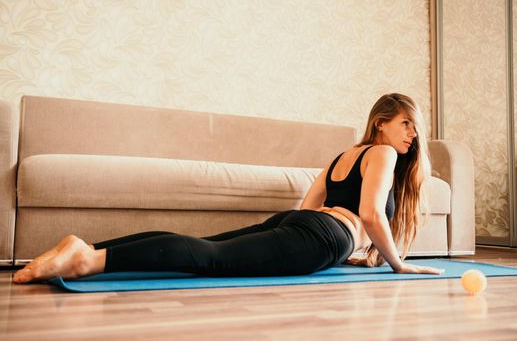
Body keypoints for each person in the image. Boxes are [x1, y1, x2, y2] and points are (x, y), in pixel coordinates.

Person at [13, 93, 444, 284]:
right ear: (381, 122)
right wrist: (398, 265)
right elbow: (369, 213)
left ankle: (89, 248)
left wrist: (337, 243)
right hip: (324, 235)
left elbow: (309, 204)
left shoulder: (344, 155)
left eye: (415, 126)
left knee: (203, 247)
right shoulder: (383, 154)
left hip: (305, 225)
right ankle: (86, 261)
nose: (412, 134)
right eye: (405, 123)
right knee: (212, 259)